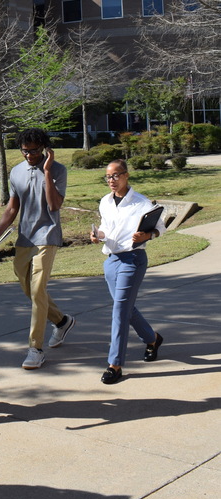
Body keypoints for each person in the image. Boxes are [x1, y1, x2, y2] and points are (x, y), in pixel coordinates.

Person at [0, 128, 75, 370]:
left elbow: (54, 204)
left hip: (47, 236)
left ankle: (35, 348)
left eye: (34, 150)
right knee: (28, 288)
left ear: (44, 148)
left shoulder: (58, 170)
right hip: (25, 237)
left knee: (38, 290)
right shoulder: (16, 172)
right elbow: (12, 209)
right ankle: (62, 320)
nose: (28, 155)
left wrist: (46, 171)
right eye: (24, 151)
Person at [90, 159, 165, 384]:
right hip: (111, 261)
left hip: (133, 260)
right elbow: (106, 228)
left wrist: (147, 236)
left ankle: (115, 364)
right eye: (108, 177)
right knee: (126, 308)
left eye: (116, 176)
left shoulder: (142, 203)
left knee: (120, 311)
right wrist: (98, 235)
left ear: (126, 175)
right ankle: (152, 339)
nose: (111, 181)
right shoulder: (105, 201)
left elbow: (160, 228)